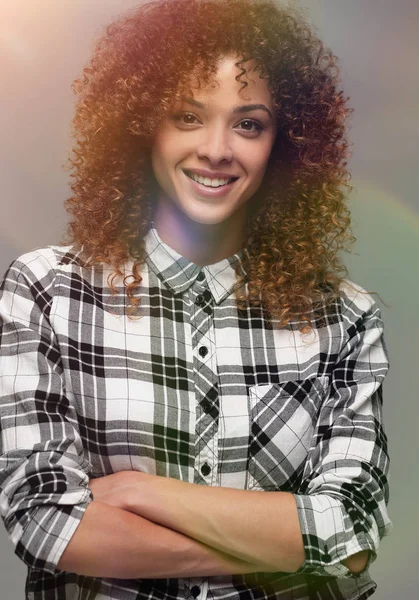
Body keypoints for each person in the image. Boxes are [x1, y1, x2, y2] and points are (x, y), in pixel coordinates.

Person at [0, 0, 393, 599]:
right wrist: (292, 546)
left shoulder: (344, 316)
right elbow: (47, 522)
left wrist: (139, 493)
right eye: (187, 115)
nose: (216, 149)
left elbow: (353, 524)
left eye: (249, 124)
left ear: (283, 145)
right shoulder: (47, 290)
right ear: (140, 123)